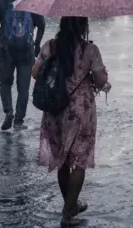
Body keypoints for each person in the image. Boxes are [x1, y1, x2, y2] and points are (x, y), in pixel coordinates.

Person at [33, 17, 109, 227]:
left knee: (63, 161)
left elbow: (35, 72)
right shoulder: (90, 50)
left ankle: (70, 205)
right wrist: (99, 75)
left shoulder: (50, 46)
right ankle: (68, 210)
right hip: (81, 110)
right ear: (83, 26)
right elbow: (101, 81)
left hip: (55, 109)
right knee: (80, 160)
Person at [0, 0, 46, 131]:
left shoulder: (2, 1)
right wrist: (37, 44)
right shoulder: (31, 2)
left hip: (6, 49)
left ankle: (8, 111)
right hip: (26, 50)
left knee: (5, 83)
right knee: (23, 87)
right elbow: (41, 25)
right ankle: (19, 121)